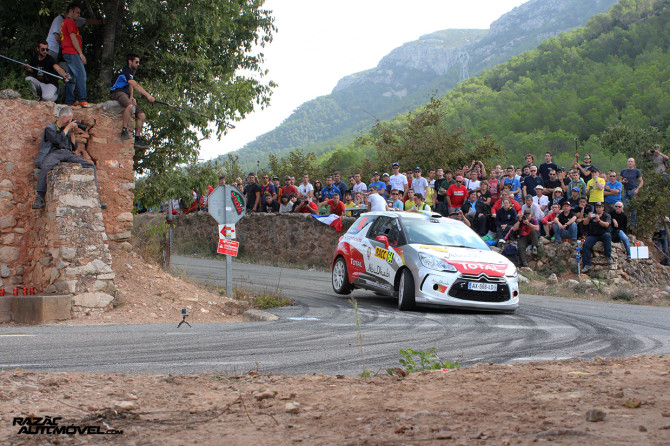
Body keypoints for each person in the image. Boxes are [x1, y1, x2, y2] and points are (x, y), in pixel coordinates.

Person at [32, 107, 106, 210]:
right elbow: (57, 140)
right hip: (55, 152)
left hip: (68, 152)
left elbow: (74, 147)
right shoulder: (50, 128)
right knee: (46, 166)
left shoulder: (67, 130)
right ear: (63, 117)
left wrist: (72, 133)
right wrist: (67, 128)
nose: (70, 121)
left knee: (90, 165)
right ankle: (39, 197)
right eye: (69, 118)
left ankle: (96, 197)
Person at [110, 53, 156, 148]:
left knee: (142, 115)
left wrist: (131, 97)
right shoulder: (125, 70)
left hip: (125, 94)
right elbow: (135, 85)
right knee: (130, 106)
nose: (138, 64)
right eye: (136, 62)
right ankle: (124, 130)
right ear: (130, 61)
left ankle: (137, 139)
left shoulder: (130, 72)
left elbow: (130, 86)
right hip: (117, 92)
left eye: (139, 62)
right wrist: (148, 96)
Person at [60, 3, 90, 106]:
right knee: (81, 74)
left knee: (70, 77)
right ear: (71, 11)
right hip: (72, 52)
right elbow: (73, 38)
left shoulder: (64, 22)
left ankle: (69, 101)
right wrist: (80, 54)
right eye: (77, 12)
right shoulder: (70, 22)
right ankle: (82, 99)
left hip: (66, 52)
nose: (78, 15)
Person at [581, 202, 612, 272]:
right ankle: (587, 264)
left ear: (603, 208)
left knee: (607, 236)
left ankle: (608, 256)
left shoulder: (607, 215)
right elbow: (584, 223)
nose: (598, 208)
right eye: (597, 207)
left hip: (603, 233)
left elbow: (607, 225)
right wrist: (588, 218)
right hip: (594, 235)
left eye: (599, 207)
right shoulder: (593, 216)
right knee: (586, 244)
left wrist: (599, 220)